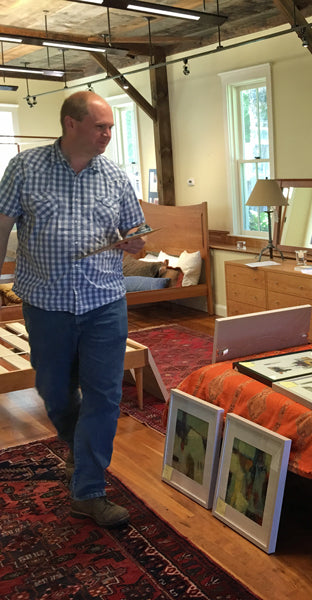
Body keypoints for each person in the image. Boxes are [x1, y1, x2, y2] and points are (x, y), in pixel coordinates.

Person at [0, 91, 147, 528]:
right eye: (101, 126)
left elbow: (136, 230)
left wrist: (136, 241)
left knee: (105, 394)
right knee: (55, 392)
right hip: (47, 305)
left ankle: (88, 490)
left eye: (111, 127)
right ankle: (79, 448)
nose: (108, 134)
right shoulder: (24, 168)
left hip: (105, 302)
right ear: (71, 123)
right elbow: (2, 225)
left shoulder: (115, 176)